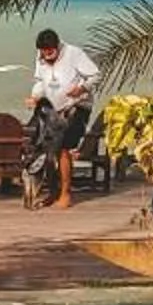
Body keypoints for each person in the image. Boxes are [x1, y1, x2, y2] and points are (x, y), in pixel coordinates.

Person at [26, 29, 99, 210]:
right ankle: (52, 191)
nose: (46, 55)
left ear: (57, 46)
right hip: (53, 109)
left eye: (50, 52)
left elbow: (95, 75)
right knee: (43, 146)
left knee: (64, 147)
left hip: (77, 106)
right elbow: (40, 81)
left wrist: (82, 88)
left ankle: (66, 193)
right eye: (43, 52)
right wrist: (35, 96)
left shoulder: (74, 53)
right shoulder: (41, 57)